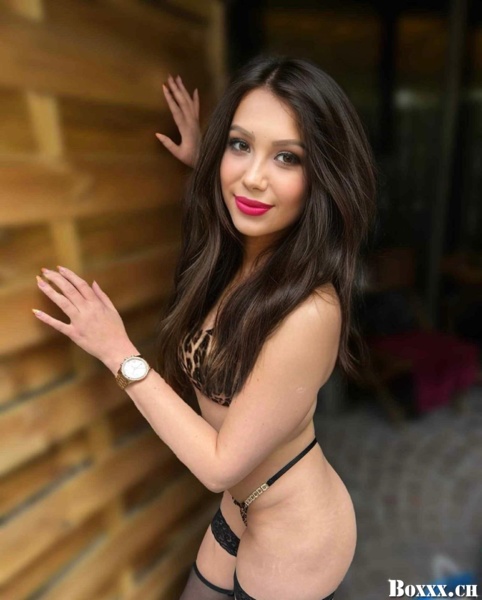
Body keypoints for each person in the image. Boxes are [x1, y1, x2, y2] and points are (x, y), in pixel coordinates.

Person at [32, 55, 376, 600]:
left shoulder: (309, 311)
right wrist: (207, 161)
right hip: (243, 505)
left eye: (287, 157)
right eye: (241, 145)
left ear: (322, 177)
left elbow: (219, 466)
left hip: (296, 536)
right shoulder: (243, 250)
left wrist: (117, 351)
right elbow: (231, 199)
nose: (254, 177)